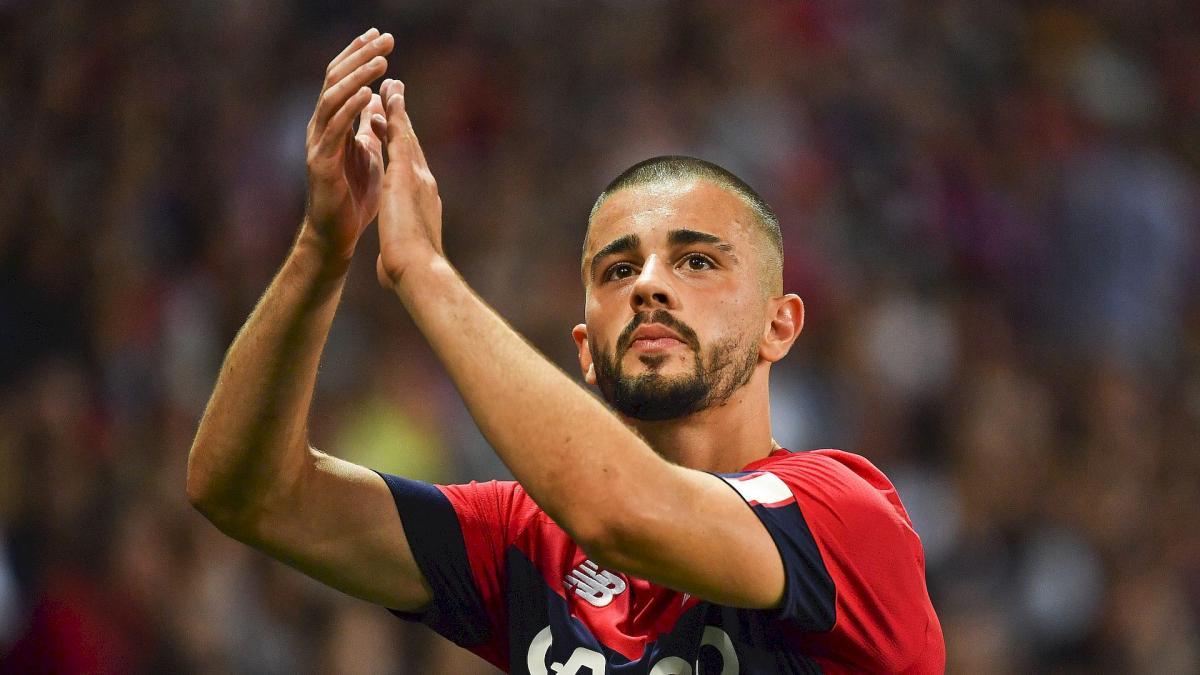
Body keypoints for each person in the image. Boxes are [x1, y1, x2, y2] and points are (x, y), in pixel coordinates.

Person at [187, 28, 944, 674]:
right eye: (618, 270)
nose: (650, 286)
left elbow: (625, 512)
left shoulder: (847, 515)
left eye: (697, 261)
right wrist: (322, 252)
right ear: (585, 350)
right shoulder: (526, 539)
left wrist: (424, 270)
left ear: (780, 325)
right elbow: (245, 491)